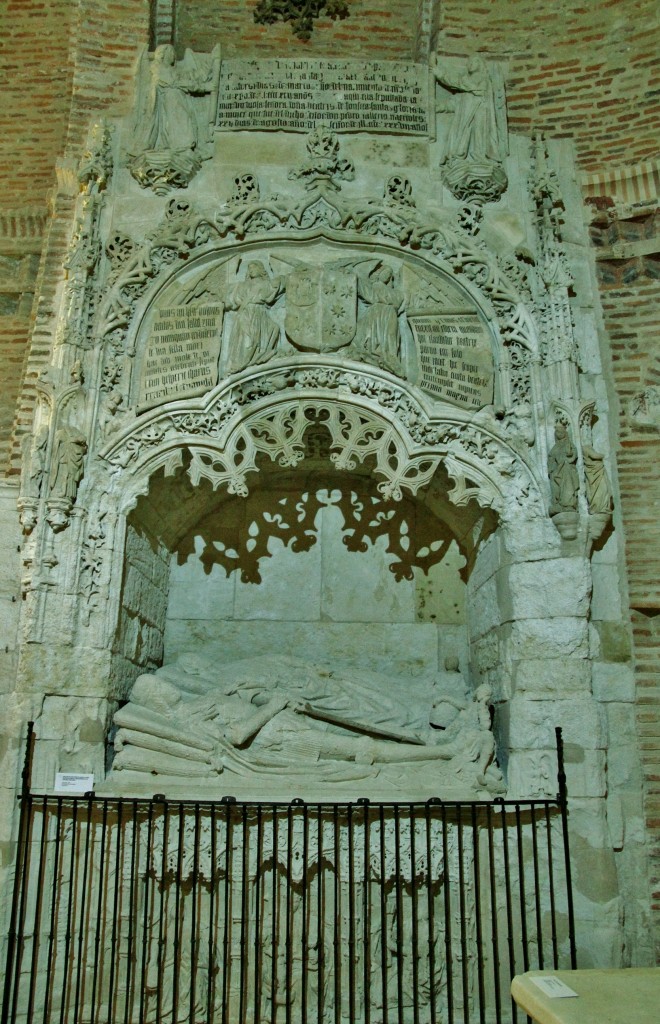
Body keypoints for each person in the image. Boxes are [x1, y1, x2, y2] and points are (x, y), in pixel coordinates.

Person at [224, 262, 284, 373]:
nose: (251, 270)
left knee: (275, 328)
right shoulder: (242, 285)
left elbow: (274, 291)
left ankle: (262, 355)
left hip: (260, 313)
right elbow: (233, 300)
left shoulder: (266, 284)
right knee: (249, 339)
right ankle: (242, 363)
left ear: (261, 269)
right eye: (249, 268)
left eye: (254, 267)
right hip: (246, 313)